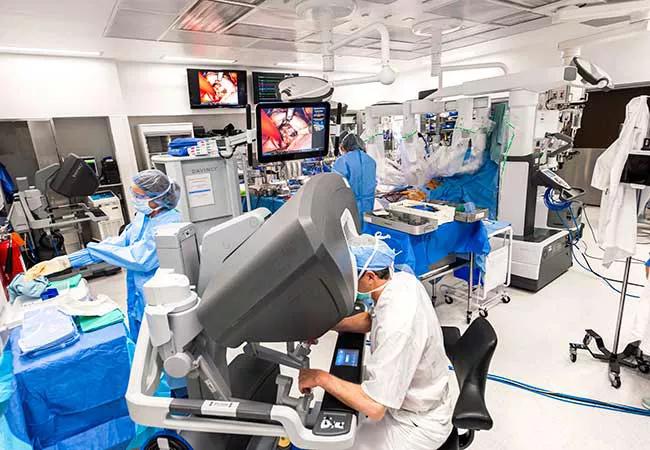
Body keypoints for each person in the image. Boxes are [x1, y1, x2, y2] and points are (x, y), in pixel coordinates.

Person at [298, 234, 453, 450]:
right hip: (413, 400)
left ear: (370, 277)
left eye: (352, 276)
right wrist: (328, 325)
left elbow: (375, 406)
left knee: (344, 445)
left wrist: (319, 377)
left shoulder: (397, 327)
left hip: (416, 423)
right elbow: (372, 319)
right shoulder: (401, 281)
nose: (347, 281)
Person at [25, 170, 182, 340]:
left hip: (157, 292)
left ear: (156, 197)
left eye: (139, 195)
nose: (134, 199)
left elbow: (139, 259)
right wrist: (68, 260)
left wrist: (93, 250)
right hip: (137, 289)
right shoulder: (144, 216)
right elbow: (121, 242)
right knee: (140, 339)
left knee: (160, 340)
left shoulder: (170, 222)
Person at [333, 132, 377, 223]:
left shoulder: (342, 161)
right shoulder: (370, 160)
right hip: (368, 204)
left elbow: (335, 184)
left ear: (344, 147)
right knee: (365, 231)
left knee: (351, 231)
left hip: (349, 205)